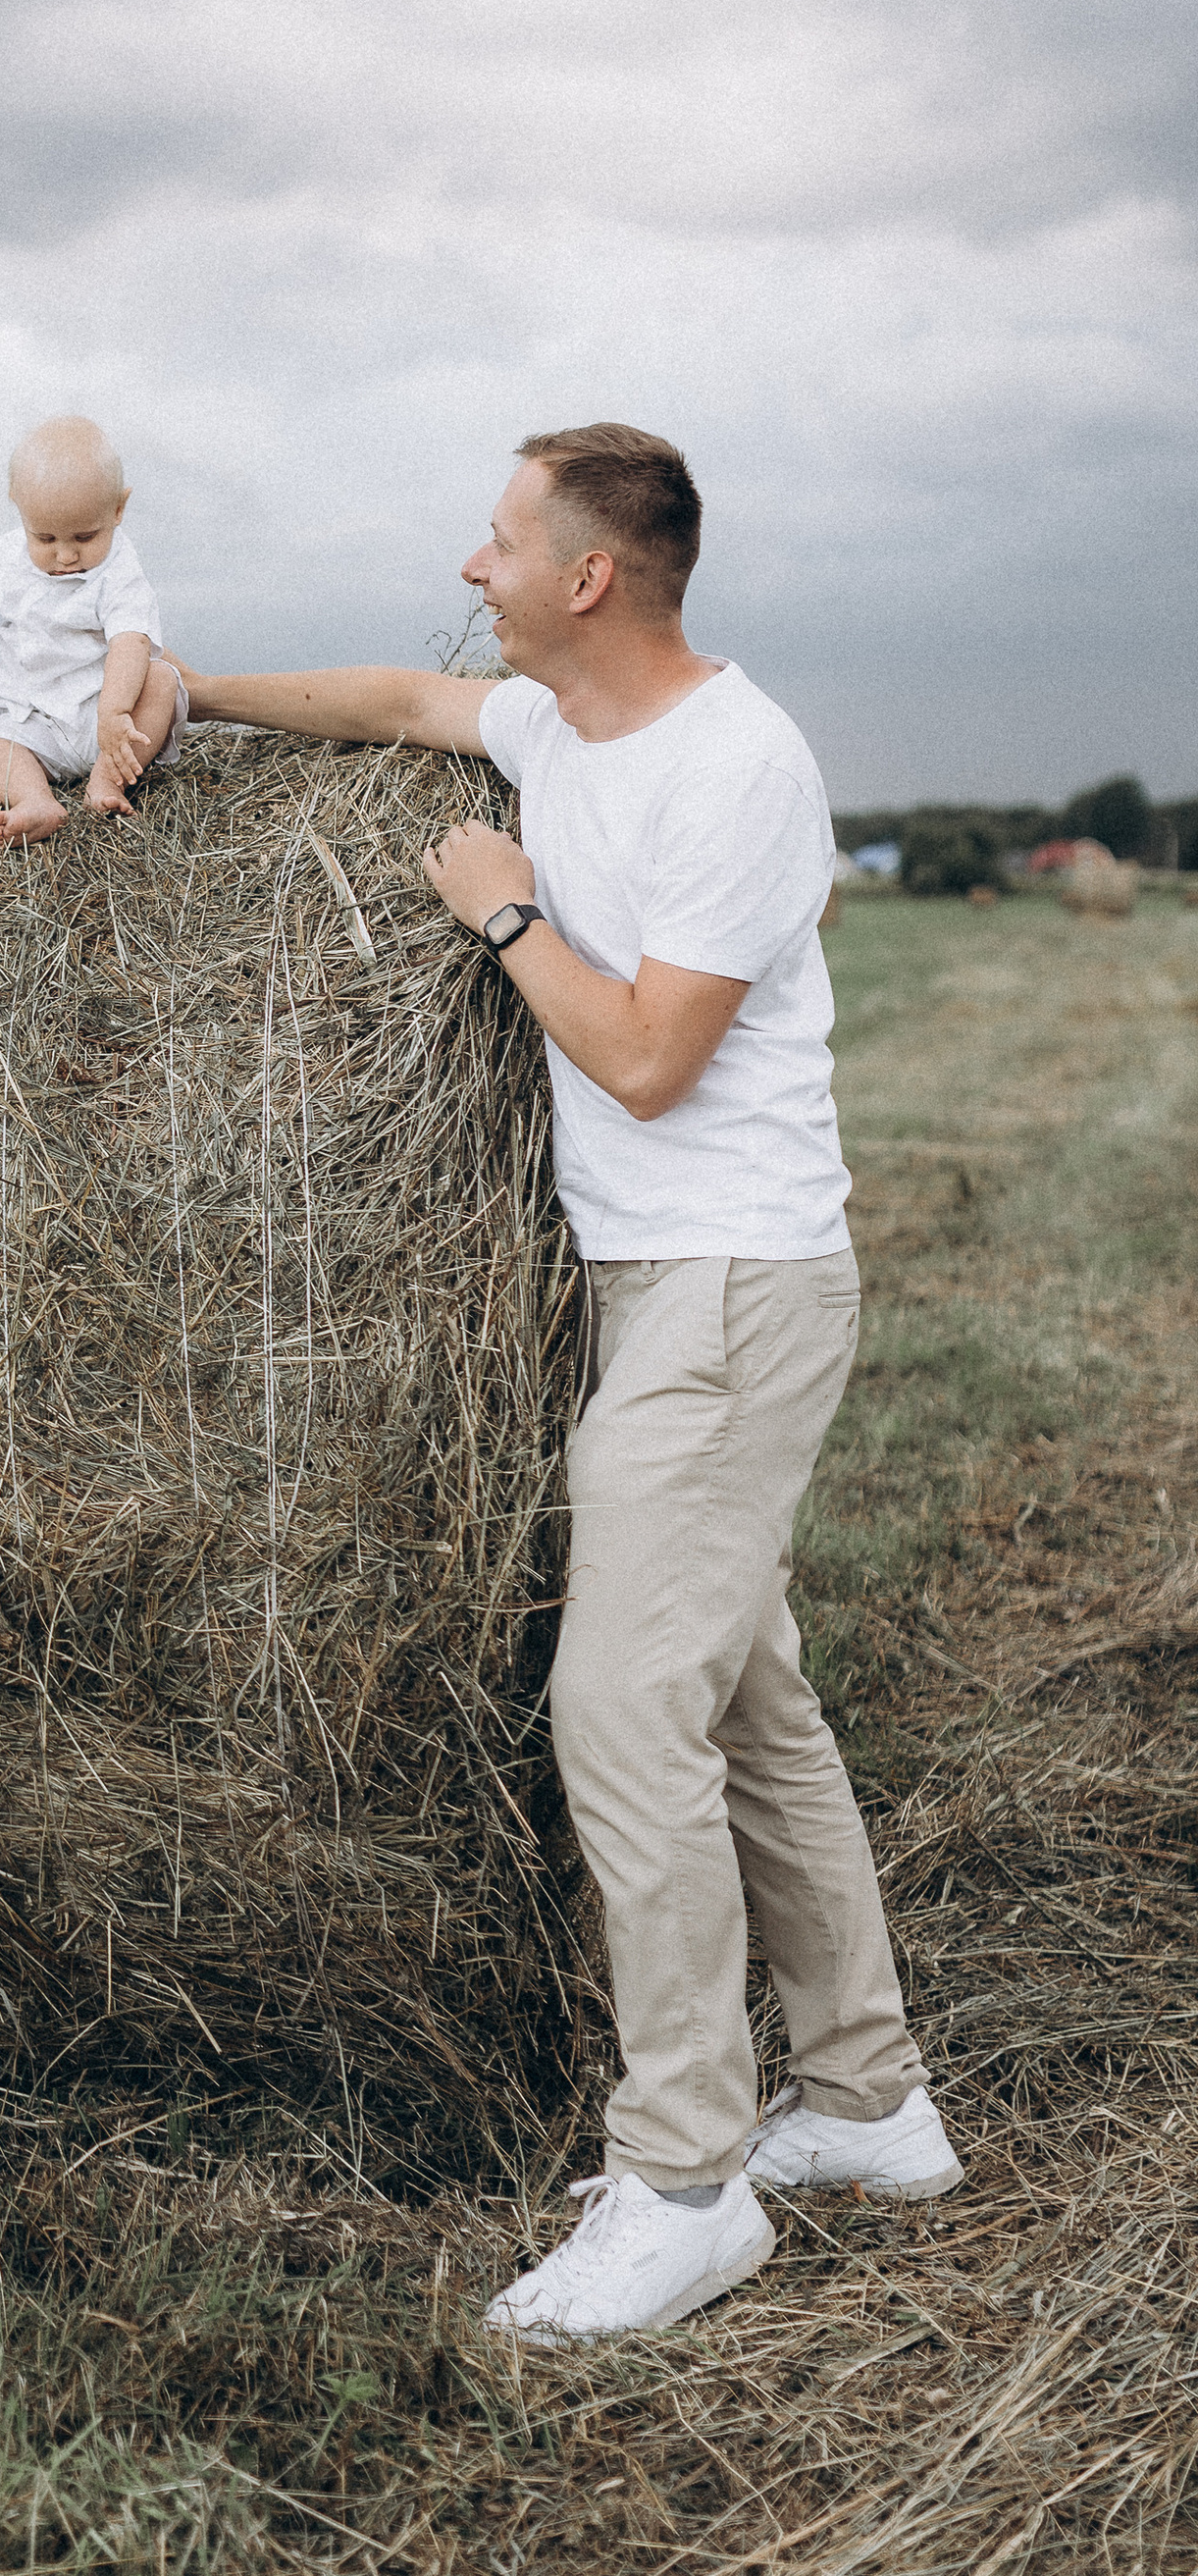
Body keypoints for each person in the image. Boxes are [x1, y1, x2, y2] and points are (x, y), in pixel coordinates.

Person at [183, 423, 961, 2345]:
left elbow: (644, 1062)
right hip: (657, 1288)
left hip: (729, 1291)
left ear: (588, 575)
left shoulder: (735, 765)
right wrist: (186, 684)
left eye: (500, 540)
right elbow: (393, 697)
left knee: (620, 1710)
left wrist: (504, 910)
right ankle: (869, 2104)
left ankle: (683, 2182)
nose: (475, 566)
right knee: (747, 1700)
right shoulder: (560, 727)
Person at [0, 416, 184, 846]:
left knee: (162, 679)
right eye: (46, 538)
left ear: (118, 509)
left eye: (85, 537)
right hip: (33, 721)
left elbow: (130, 642)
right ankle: (35, 800)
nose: (66, 555)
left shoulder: (120, 571)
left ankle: (107, 780)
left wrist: (113, 714)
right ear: (19, 507)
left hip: (109, 719)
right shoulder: (1, 558)